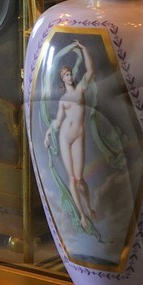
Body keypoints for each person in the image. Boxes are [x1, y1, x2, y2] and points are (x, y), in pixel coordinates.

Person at [46, 41, 98, 235]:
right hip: (64, 137)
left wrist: (84, 50)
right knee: (72, 179)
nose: (68, 76)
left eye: (69, 74)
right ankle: (82, 215)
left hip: (78, 134)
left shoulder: (80, 90)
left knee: (80, 178)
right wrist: (48, 132)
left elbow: (90, 70)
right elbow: (58, 122)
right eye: (65, 75)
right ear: (62, 80)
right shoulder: (62, 100)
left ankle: (89, 206)